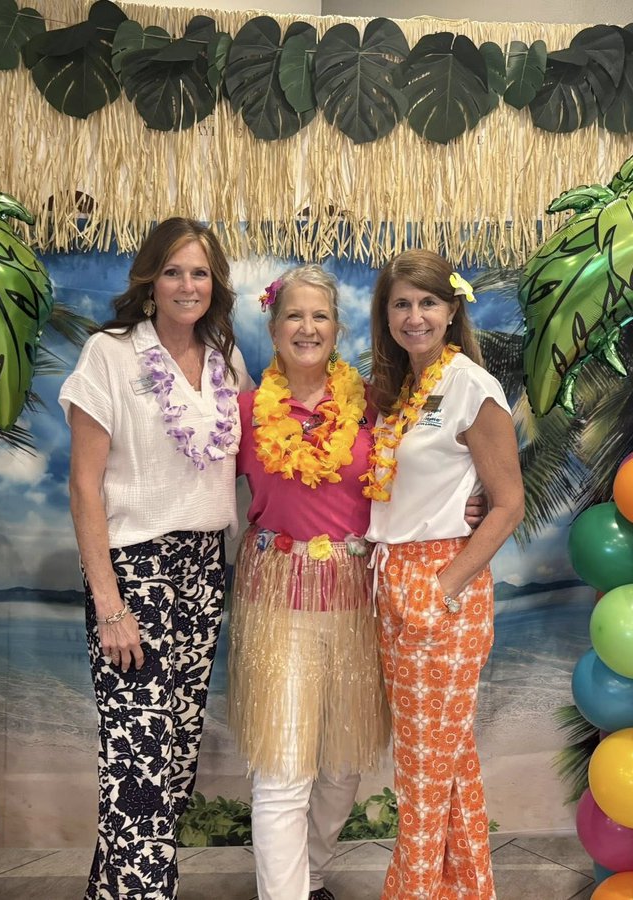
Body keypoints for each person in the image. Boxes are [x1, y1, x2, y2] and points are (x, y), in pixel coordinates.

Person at [59, 217, 252, 900]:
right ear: (149, 281)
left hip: (204, 564)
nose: (187, 284)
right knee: (137, 752)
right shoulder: (109, 354)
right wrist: (109, 604)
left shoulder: (227, 360)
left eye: (200, 272)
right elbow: (84, 486)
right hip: (132, 567)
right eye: (173, 271)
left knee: (171, 756)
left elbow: (259, 465)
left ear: (215, 285)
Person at [363, 249, 525, 900]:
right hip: (391, 579)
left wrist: (444, 585)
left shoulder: (471, 386)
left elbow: (508, 503)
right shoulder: (397, 386)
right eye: (400, 304)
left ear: (452, 309)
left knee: (424, 775)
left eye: (427, 302)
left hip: (440, 587)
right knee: (445, 765)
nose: (414, 316)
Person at [228, 265, 389, 900]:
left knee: (345, 764)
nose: (307, 327)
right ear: (272, 327)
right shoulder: (243, 412)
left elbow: (428, 472)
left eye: (319, 316)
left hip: (355, 598)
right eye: (294, 315)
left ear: (337, 327)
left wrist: (471, 506)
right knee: (283, 767)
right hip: (276, 601)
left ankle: (310, 873)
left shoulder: (373, 404)